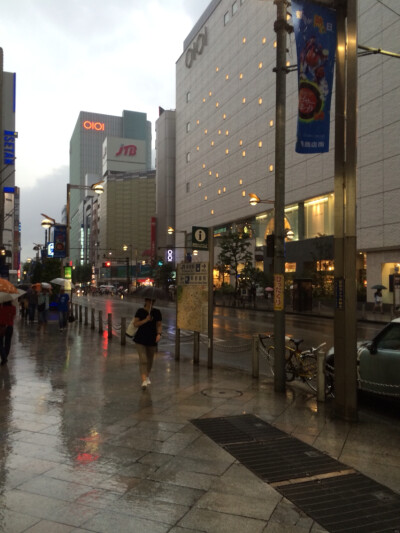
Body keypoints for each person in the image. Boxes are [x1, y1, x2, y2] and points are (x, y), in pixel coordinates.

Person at [133, 297, 162, 390]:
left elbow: (159, 324)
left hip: (152, 339)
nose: (151, 303)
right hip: (140, 339)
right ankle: (144, 380)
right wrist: (146, 320)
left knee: (150, 360)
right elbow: (135, 324)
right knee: (143, 360)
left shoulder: (157, 312)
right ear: (146, 301)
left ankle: (147, 375)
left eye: (153, 301)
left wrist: (159, 334)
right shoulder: (140, 311)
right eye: (149, 301)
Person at [0, 301, 16, 365]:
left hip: (1, 327)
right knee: (8, 342)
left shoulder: (1, 308)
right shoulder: (13, 308)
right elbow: (13, 316)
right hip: (9, 326)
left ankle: (4, 357)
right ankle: (5, 357)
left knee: (0, 342)